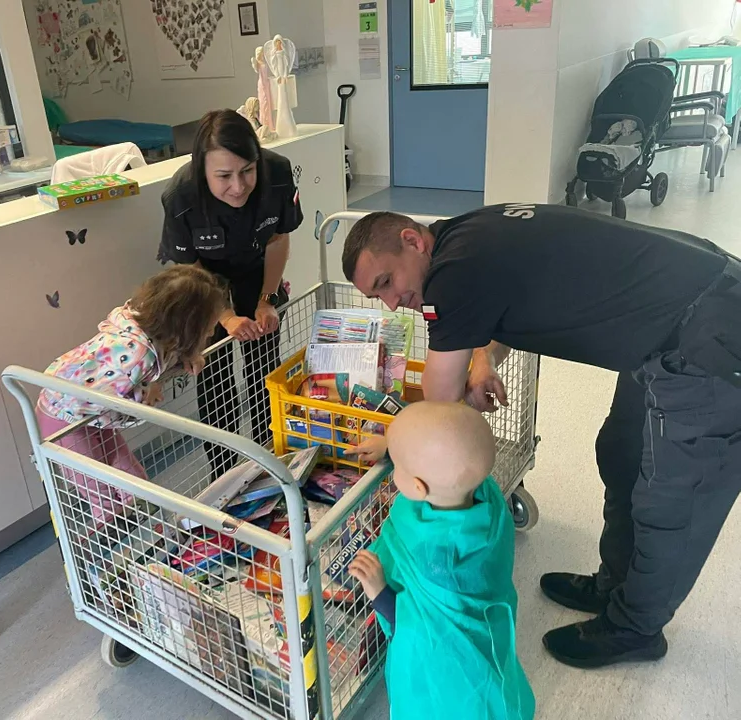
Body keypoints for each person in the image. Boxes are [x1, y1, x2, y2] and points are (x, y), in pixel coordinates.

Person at [342, 204, 741, 669]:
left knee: (675, 498)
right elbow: (507, 304)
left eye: (386, 282)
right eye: (377, 296)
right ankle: (616, 585)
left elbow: (439, 402)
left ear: (412, 241)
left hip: (707, 335)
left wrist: (394, 441)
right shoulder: (464, 237)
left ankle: (636, 628)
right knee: (622, 453)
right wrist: (483, 360)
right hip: (670, 318)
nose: (392, 302)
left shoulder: (450, 274)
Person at [348, 401, 535, 720]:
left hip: (446, 677)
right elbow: (450, 457)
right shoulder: (486, 497)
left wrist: (379, 591)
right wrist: (394, 451)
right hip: (484, 639)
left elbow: (422, 631)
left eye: (399, 466)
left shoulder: (437, 561)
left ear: (418, 487)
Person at [158, 109, 303, 478]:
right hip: (204, 282)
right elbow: (190, 269)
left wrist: (266, 301)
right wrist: (224, 316)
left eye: (247, 171)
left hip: (257, 271)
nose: (238, 187)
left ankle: (270, 459)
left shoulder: (278, 173)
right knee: (215, 377)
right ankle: (224, 474)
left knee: (264, 365)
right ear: (202, 170)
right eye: (223, 176)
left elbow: (277, 239)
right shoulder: (180, 195)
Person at [37, 265, 226, 527]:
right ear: (187, 326)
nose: (211, 333)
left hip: (87, 410)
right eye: (208, 327)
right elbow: (109, 394)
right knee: (101, 494)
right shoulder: (138, 354)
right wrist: (147, 389)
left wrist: (187, 355)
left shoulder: (147, 322)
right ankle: (104, 541)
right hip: (62, 414)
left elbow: (162, 351)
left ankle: (152, 533)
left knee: (135, 484)